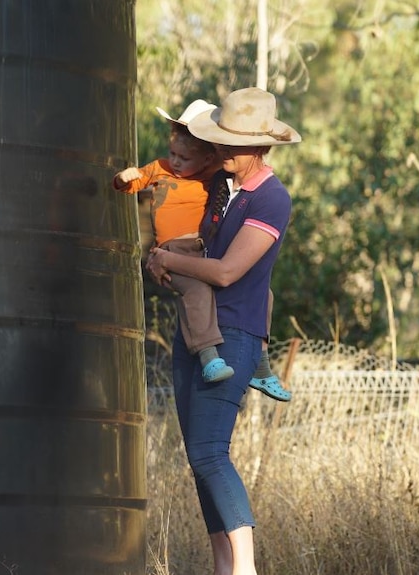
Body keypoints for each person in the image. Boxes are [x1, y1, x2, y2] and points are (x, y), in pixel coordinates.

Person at [146, 87, 301, 575]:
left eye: (230, 143)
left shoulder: (271, 199)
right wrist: (166, 261)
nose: (219, 150)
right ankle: (223, 565)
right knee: (198, 457)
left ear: (260, 147)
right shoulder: (221, 187)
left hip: (234, 331)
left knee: (212, 452)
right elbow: (203, 254)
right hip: (196, 331)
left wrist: (166, 257)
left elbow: (230, 270)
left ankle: (245, 568)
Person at [115, 99, 291, 400]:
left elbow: (226, 271)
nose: (178, 161)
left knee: (265, 294)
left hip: (193, 254)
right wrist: (125, 179)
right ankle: (208, 355)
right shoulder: (174, 171)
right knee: (196, 292)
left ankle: (260, 363)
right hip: (175, 250)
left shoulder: (231, 183)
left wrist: (163, 258)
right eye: (174, 153)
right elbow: (134, 184)